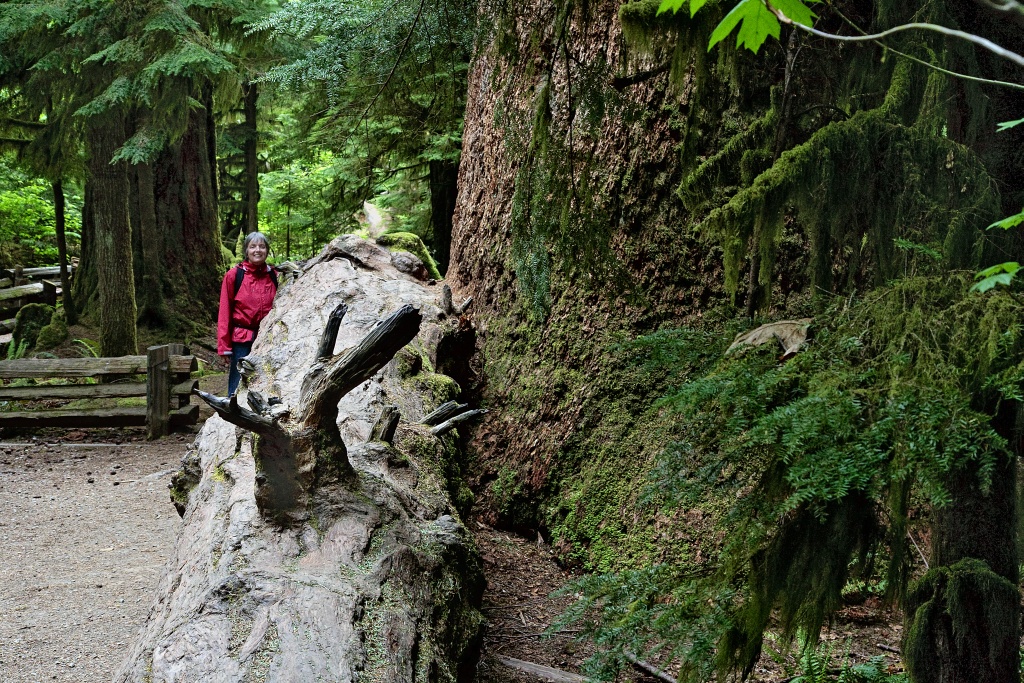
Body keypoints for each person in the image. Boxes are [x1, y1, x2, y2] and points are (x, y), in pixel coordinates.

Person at [218, 232, 278, 395]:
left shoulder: (274, 275)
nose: (257, 250)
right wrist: (224, 347)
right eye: (253, 246)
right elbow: (224, 311)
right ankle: (233, 413)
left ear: (267, 250)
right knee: (238, 382)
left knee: (267, 380)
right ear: (246, 250)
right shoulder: (234, 276)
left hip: (268, 338)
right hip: (241, 338)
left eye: (262, 246)